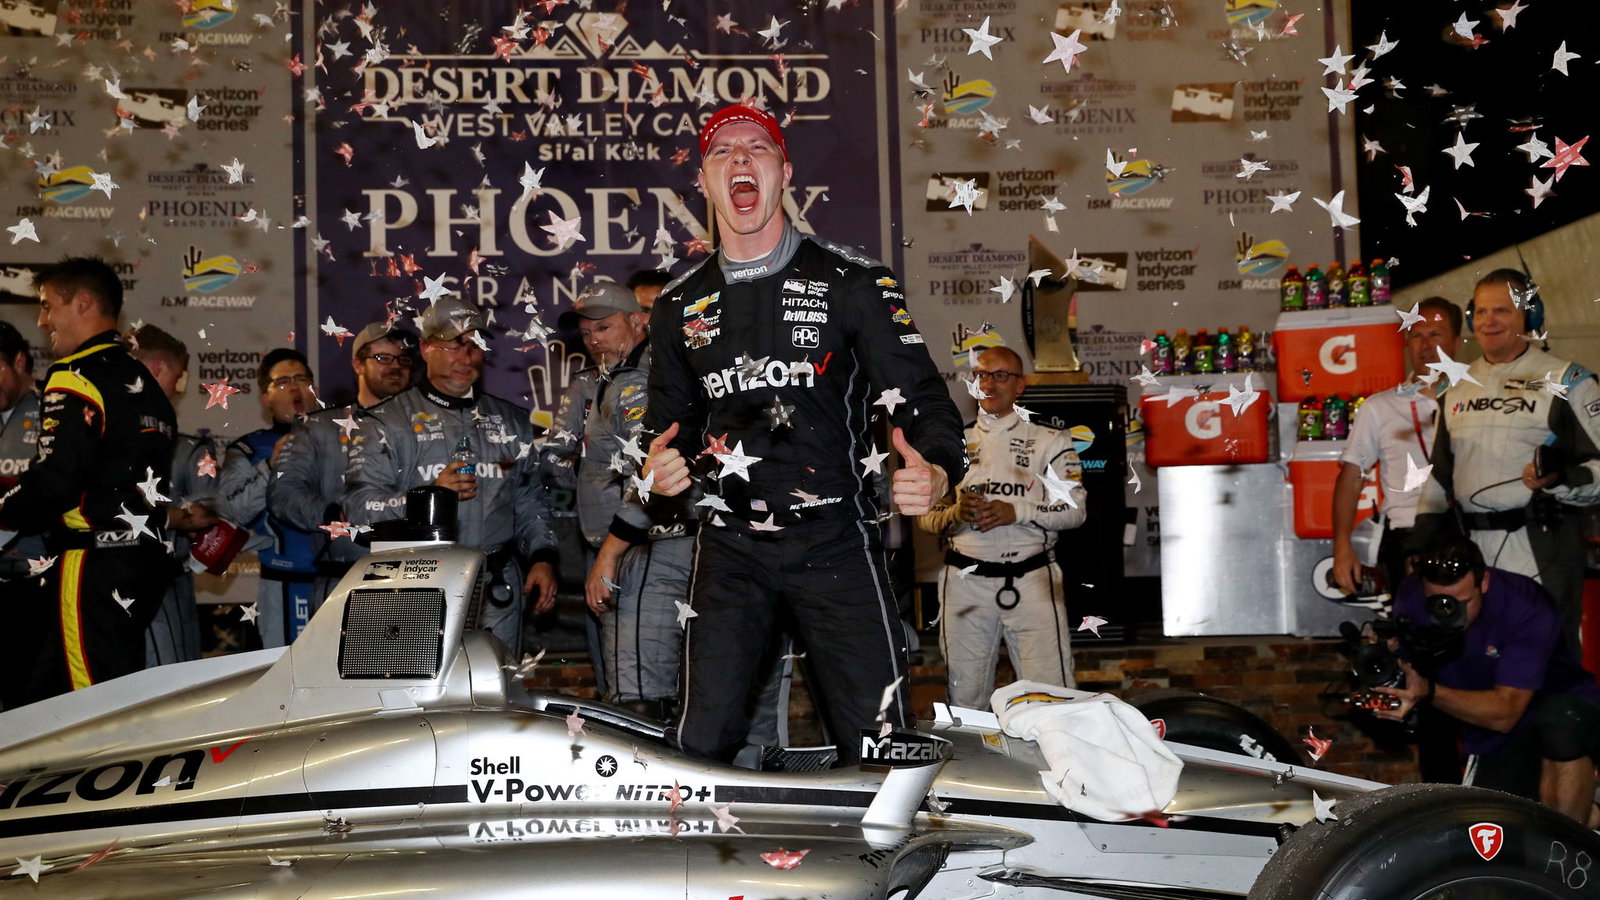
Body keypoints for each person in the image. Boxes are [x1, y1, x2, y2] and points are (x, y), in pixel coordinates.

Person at [642, 105, 966, 764]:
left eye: (756, 148)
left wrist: (936, 467)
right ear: (703, 183)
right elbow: (666, 429)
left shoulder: (855, 282)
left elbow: (925, 401)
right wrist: (659, 468)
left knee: (879, 745)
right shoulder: (678, 306)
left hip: (834, 541)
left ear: (785, 173)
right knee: (698, 746)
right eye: (722, 152)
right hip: (730, 547)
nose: (739, 159)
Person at [0, 257, 175, 703]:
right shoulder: (143, 380)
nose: (42, 321)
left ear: (82, 303)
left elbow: (55, 479)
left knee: (93, 705)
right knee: (50, 699)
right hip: (141, 560)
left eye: (47, 306)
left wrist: (2, 510)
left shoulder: (74, 375)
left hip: (92, 562)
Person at [345, 296, 557, 656]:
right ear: (426, 349)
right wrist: (429, 496)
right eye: (454, 344)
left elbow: (529, 499)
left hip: (495, 585)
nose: (466, 356)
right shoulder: (385, 421)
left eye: (474, 345)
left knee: (493, 687)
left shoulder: (512, 420)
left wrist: (543, 556)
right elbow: (358, 511)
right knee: (420, 687)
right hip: (414, 587)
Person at [1412, 269, 1600, 656]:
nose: (1489, 321)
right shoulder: (1454, 386)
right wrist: (1420, 545)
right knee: (1474, 662)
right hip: (1469, 553)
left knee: (1546, 662)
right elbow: (1439, 478)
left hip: (1541, 546)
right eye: (1480, 312)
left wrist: (1557, 479)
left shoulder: (1569, 380)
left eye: (1502, 310)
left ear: (1530, 315)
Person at [1375, 535, 1600, 826]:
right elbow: (1405, 665)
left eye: (1460, 602)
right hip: (1486, 723)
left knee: (1561, 729)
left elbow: (1506, 713)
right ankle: (1591, 815)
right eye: (1438, 603)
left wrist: (1427, 691)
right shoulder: (1411, 596)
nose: (1448, 612)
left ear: (1484, 582)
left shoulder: (1524, 603)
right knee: (1492, 826)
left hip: (1550, 703)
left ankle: (1567, 841)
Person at [552, 281, 694, 718]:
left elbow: (652, 475)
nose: (593, 340)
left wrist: (610, 554)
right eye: (586, 332)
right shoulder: (619, 376)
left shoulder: (635, 383)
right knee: (648, 687)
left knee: (638, 696)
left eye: (604, 328)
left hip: (646, 549)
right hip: (646, 545)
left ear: (637, 321)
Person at [916, 346, 1086, 709]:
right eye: (981, 375)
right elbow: (925, 516)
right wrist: (957, 514)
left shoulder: (1051, 440)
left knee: (1050, 699)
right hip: (965, 583)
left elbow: (1075, 510)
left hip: (1032, 579)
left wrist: (1017, 511)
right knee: (965, 700)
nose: (989, 384)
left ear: (1020, 385)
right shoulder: (951, 444)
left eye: (1001, 375)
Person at [268, 321, 418, 609]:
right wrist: (333, 515)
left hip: (417, 580)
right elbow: (283, 493)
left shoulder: (431, 425)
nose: (395, 367)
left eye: (403, 359)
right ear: (357, 364)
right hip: (343, 581)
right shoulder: (318, 427)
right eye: (383, 358)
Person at [1332, 297, 1463, 597]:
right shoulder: (1380, 407)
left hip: (1470, 528)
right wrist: (1342, 547)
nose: (1425, 345)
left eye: (1435, 334)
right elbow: (1351, 478)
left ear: (1456, 342)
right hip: (1408, 533)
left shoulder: (1476, 400)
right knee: (1413, 622)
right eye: (1416, 335)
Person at [217, 348, 322, 648]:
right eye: (283, 382)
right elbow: (232, 512)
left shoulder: (342, 437)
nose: (294, 388)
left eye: (301, 379)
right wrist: (270, 467)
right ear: (266, 398)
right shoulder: (250, 448)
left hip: (341, 578)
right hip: (283, 583)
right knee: (291, 669)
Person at [129, 324, 220, 665]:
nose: (179, 389)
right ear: (157, 369)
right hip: (141, 581)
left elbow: (208, 514)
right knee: (163, 678)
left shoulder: (181, 446)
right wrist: (181, 516)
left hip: (159, 581)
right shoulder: (113, 437)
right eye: (178, 377)